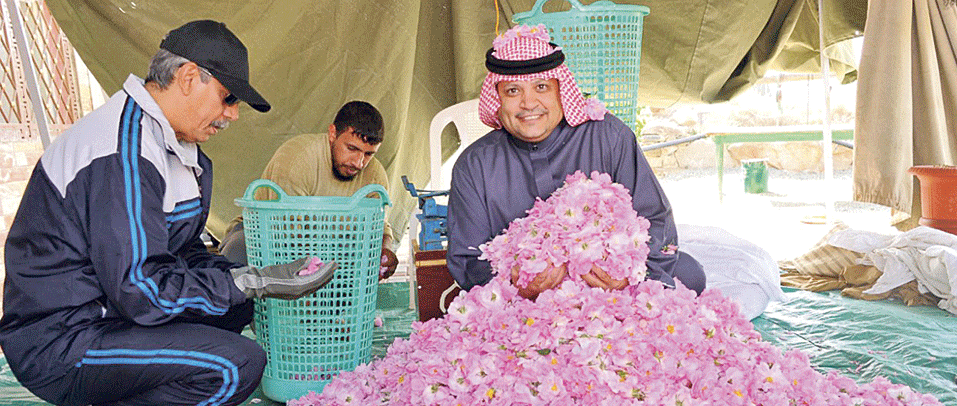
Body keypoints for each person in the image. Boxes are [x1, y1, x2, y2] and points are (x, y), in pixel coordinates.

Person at [0, 20, 338, 406]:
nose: (233, 115)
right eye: (228, 97)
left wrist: (251, 278)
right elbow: (142, 290)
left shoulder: (176, 148)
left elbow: (183, 253)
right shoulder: (122, 152)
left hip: (109, 314)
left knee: (234, 303)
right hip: (60, 340)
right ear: (187, 78)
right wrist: (250, 280)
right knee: (236, 365)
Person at [447, 25, 705, 300]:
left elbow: (654, 217)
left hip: (611, 290)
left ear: (561, 90)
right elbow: (467, 257)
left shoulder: (609, 136)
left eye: (542, 87)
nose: (528, 103)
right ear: (497, 98)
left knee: (689, 274)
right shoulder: (475, 164)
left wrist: (626, 271)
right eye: (512, 91)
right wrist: (517, 282)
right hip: (527, 302)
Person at [218, 101, 398, 279]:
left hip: (333, 252)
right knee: (238, 254)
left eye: (368, 154)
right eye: (351, 148)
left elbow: (381, 229)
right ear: (332, 133)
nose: (358, 163)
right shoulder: (297, 158)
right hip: (267, 237)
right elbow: (285, 236)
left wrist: (385, 252)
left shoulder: (375, 176)